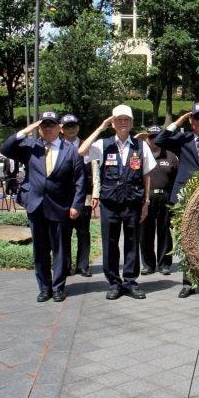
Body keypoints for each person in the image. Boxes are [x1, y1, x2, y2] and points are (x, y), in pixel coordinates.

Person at [0, 111, 86, 303]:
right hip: (35, 205)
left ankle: (58, 288)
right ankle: (44, 287)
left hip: (60, 206)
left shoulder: (71, 150)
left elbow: (80, 180)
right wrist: (26, 131)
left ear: (59, 128)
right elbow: (5, 148)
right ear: (39, 128)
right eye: (44, 125)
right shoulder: (30, 146)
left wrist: (76, 204)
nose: (48, 128)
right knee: (40, 250)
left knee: (60, 250)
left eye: (52, 125)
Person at [78, 105, 155, 300]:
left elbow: (146, 174)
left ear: (131, 123)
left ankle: (129, 281)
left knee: (132, 242)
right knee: (110, 243)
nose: (123, 123)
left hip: (133, 202)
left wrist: (146, 201)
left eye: (126, 120)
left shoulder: (140, 145)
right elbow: (81, 151)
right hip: (110, 203)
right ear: (112, 123)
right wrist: (100, 128)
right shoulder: (103, 144)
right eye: (119, 119)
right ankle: (113, 282)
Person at [154, 101, 199, 298]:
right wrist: (179, 121)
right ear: (191, 119)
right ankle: (188, 282)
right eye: (196, 117)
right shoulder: (183, 139)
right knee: (188, 239)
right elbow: (159, 140)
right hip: (186, 196)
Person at [139, 125, 178, 275]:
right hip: (146, 198)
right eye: (151, 137)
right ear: (147, 139)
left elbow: (176, 181)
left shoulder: (171, 156)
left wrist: (174, 200)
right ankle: (148, 264)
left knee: (165, 231)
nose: (154, 139)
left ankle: (164, 264)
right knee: (145, 232)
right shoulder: (140, 155)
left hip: (165, 197)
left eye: (157, 136)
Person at [60, 113, 93, 277]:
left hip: (84, 196)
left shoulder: (86, 145)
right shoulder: (57, 146)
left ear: (78, 127)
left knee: (83, 232)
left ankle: (83, 265)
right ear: (61, 129)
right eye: (67, 126)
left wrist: (96, 194)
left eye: (73, 126)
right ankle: (65, 266)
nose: (71, 129)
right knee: (64, 233)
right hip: (63, 197)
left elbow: (95, 171)